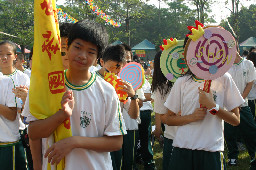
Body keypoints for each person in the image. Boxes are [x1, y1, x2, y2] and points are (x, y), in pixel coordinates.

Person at [22, 19, 126, 170]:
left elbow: (116, 142)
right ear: (67, 47)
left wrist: (74, 142)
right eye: (77, 47)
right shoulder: (45, 86)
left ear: (98, 58)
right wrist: (61, 115)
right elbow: (33, 132)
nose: (83, 55)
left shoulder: (106, 91)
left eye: (91, 52)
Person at [162, 37, 244, 170]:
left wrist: (213, 107)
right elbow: (167, 119)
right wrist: (191, 117)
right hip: (182, 149)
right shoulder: (182, 82)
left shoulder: (224, 78)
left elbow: (235, 120)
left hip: (210, 150)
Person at [96, 44, 141, 170]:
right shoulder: (91, 81)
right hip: (95, 136)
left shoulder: (122, 84)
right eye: (110, 68)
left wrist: (133, 96)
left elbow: (133, 115)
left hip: (113, 136)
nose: (114, 72)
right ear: (101, 61)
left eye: (118, 68)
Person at [226, 51, 256, 169]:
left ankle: (253, 154)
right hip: (228, 106)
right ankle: (232, 156)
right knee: (229, 132)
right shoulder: (224, 65)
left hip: (243, 105)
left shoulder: (248, 64)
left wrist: (239, 100)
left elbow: (250, 84)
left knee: (251, 130)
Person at [0, 44, 27, 170]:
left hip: (17, 132)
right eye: (0, 54)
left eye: (8, 54)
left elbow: (15, 113)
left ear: (15, 57)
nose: (4, 57)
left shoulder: (21, 78)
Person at [151, 51, 177, 169]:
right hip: (189, 133)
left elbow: (159, 112)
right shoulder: (182, 81)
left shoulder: (161, 87)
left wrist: (157, 130)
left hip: (171, 133)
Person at [247, 52, 256, 121]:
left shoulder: (245, 68)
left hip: (245, 99)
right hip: (252, 98)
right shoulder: (254, 70)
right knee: (253, 118)